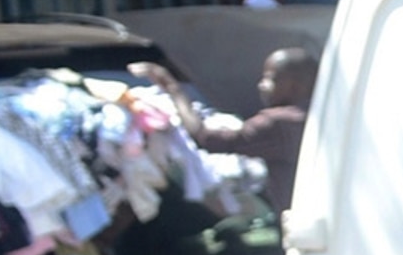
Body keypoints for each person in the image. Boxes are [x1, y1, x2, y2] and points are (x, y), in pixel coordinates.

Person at [132, 46, 317, 212]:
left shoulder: (275, 124)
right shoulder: (323, 115)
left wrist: (172, 88)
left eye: (270, 78)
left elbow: (206, 139)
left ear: (296, 85)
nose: (262, 85)